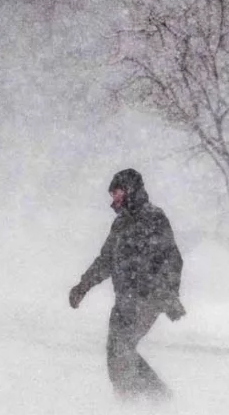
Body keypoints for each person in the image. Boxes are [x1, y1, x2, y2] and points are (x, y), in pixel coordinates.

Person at [69, 168, 185, 400]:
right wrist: (82, 287)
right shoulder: (121, 224)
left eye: (118, 192)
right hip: (125, 299)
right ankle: (139, 400)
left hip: (148, 298)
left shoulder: (154, 218)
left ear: (130, 190)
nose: (114, 198)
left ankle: (150, 398)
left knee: (120, 350)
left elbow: (172, 259)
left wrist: (169, 294)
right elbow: (106, 261)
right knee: (117, 353)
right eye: (113, 194)